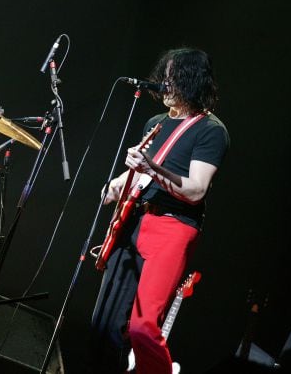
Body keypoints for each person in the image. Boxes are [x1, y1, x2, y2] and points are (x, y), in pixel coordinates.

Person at [89, 47, 230, 374]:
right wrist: (117, 183)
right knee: (103, 323)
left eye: (172, 80)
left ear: (191, 82)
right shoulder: (155, 123)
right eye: (163, 79)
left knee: (142, 327)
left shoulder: (211, 131)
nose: (164, 86)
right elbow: (141, 171)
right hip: (135, 221)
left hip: (173, 227)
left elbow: (195, 189)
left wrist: (150, 168)